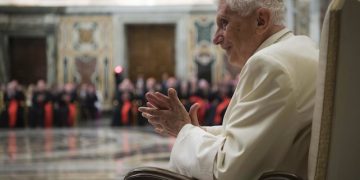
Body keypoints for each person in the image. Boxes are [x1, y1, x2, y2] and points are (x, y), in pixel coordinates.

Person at [138, 0, 319, 179]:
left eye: (224, 23)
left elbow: (226, 171)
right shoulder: (303, 47)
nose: (216, 38)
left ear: (261, 21)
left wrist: (184, 130)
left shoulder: (269, 64)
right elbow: (254, 137)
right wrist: (191, 130)